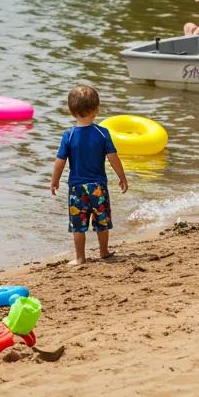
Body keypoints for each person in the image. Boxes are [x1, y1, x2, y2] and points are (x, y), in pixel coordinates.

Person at [51, 84, 128, 264]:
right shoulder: (102, 133)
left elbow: (60, 161)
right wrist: (122, 177)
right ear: (96, 109)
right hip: (98, 187)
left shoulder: (68, 135)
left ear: (71, 111)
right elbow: (113, 157)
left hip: (77, 188)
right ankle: (103, 251)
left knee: (78, 226)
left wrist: (54, 180)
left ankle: (80, 258)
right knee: (102, 222)